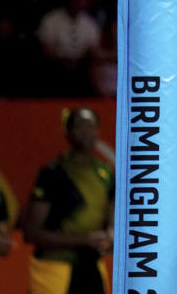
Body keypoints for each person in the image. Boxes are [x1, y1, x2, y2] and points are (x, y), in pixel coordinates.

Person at [22, 107, 114, 294]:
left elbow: (111, 222)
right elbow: (32, 232)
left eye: (92, 126)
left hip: (92, 267)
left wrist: (111, 237)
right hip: (54, 267)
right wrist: (84, 240)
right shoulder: (52, 173)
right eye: (80, 126)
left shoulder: (106, 173)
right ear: (68, 132)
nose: (87, 132)